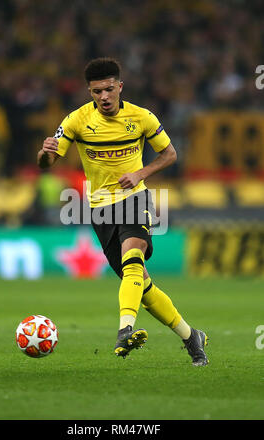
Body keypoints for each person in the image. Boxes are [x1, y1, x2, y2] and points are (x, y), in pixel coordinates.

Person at [37, 57, 209, 366]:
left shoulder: (142, 118)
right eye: (96, 92)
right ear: (90, 92)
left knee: (133, 260)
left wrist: (140, 174)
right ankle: (190, 336)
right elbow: (47, 164)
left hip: (134, 200)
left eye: (108, 89)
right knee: (141, 285)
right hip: (100, 210)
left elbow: (170, 154)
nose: (103, 97)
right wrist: (45, 153)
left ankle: (124, 331)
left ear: (120, 87)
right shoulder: (76, 120)